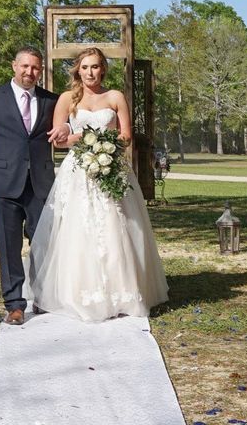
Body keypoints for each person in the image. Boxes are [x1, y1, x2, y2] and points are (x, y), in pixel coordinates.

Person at [29, 47, 169, 322]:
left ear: (102, 69)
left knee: (115, 226)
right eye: (85, 67)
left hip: (111, 165)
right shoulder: (67, 99)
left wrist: (104, 143)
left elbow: (126, 136)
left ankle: (121, 291)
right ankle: (77, 292)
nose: (90, 73)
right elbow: (58, 140)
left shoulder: (115, 97)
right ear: (77, 70)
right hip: (78, 171)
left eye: (95, 67)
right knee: (78, 229)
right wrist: (87, 139)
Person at [0, 46, 69, 325]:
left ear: (41, 71)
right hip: (3, 184)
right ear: (14, 66)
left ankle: (43, 298)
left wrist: (67, 130)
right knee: (9, 247)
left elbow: (68, 127)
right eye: (25, 66)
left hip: (41, 183)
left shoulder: (52, 101)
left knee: (43, 244)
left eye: (35, 68)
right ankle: (15, 304)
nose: (30, 72)